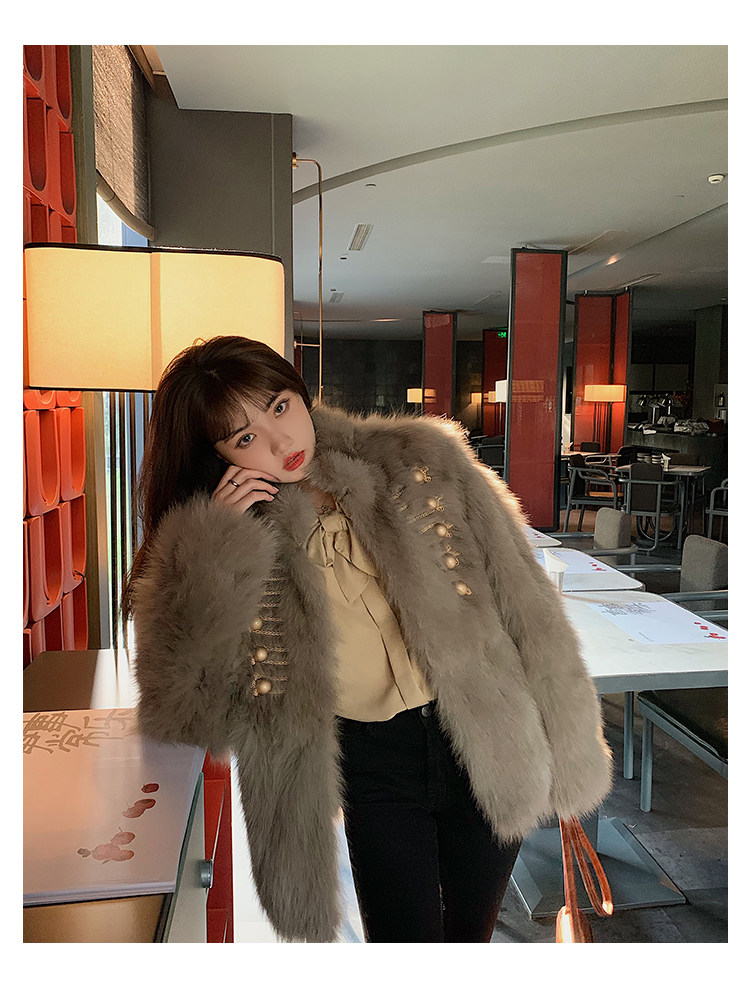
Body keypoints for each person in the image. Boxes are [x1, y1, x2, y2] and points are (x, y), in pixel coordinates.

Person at [124, 335, 612, 944]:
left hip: (489, 730)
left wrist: (570, 747)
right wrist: (213, 548)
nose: (279, 441)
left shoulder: (416, 459)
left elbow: (528, 605)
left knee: (470, 938)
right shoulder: (224, 541)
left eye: (280, 407)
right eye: (244, 437)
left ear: (299, 392)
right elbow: (183, 713)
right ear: (215, 453)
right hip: (372, 762)